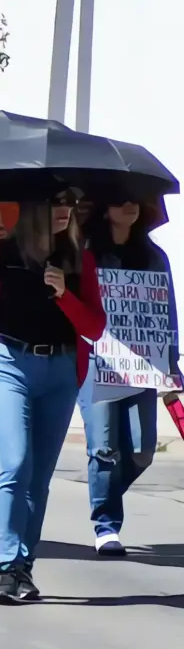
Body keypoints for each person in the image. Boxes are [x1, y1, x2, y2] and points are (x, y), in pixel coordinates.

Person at [0, 192, 104, 604]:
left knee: (38, 478)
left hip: (59, 370)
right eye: (54, 201)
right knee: (15, 465)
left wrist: (63, 294)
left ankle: (24, 565)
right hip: (8, 363)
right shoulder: (2, 253)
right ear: (33, 207)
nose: (63, 210)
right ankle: (6, 566)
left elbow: (94, 327)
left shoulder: (77, 258)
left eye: (69, 202)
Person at [78, 198, 179, 557]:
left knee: (141, 450)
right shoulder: (85, 251)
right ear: (104, 209)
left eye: (136, 202)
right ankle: (106, 525)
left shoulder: (154, 256)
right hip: (97, 360)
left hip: (142, 362)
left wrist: (171, 362)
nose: (130, 207)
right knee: (104, 447)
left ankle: (103, 492)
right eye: (120, 201)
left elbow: (166, 309)